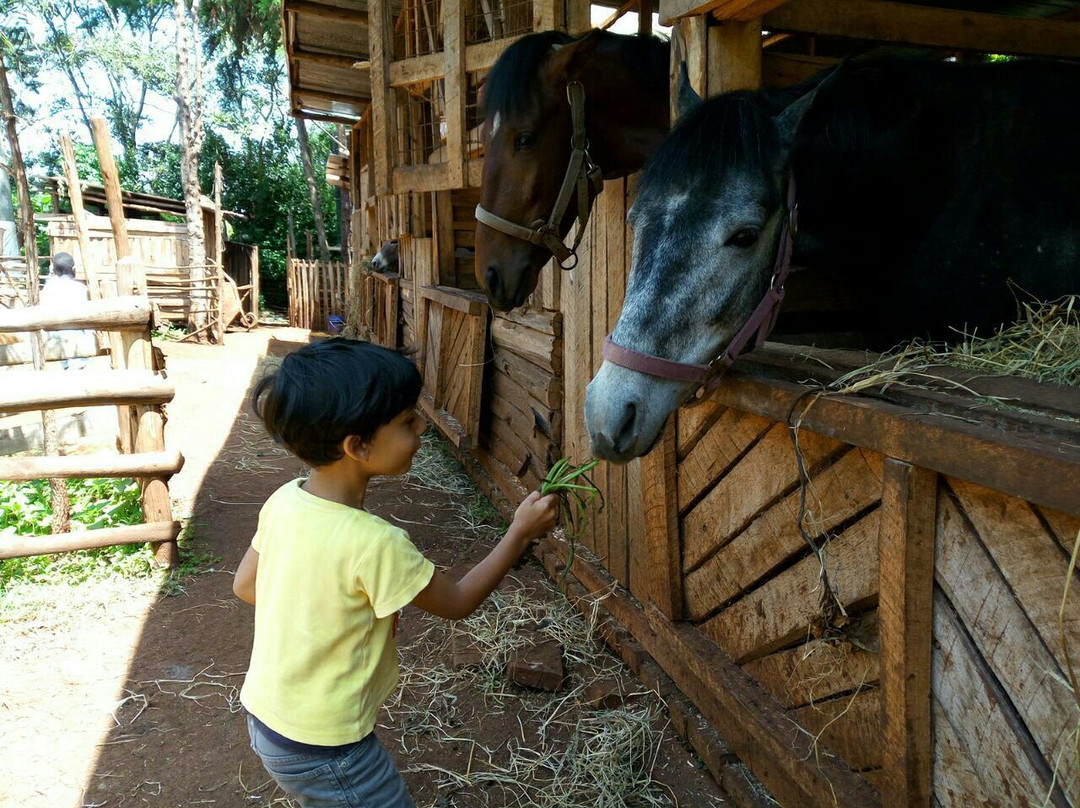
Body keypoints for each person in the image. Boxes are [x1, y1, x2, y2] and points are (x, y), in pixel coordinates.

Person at [232, 338, 559, 808]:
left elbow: (246, 586)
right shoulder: (376, 543)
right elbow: (460, 601)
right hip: (329, 747)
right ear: (357, 446)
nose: (423, 426)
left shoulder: (285, 501)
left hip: (268, 719)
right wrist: (520, 534)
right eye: (408, 421)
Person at [40, 252, 91, 369]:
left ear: (54, 270)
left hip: (54, 339)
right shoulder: (80, 289)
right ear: (74, 269)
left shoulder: (48, 288)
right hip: (77, 339)